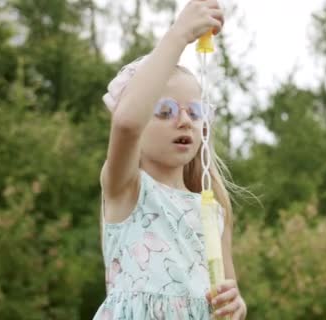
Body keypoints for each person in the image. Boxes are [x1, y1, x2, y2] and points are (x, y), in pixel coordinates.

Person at [93, 1, 247, 318]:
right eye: (165, 112)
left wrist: (237, 306)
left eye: (194, 112)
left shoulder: (213, 209)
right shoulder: (126, 189)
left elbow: (227, 297)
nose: (184, 121)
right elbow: (126, 123)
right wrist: (179, 34)